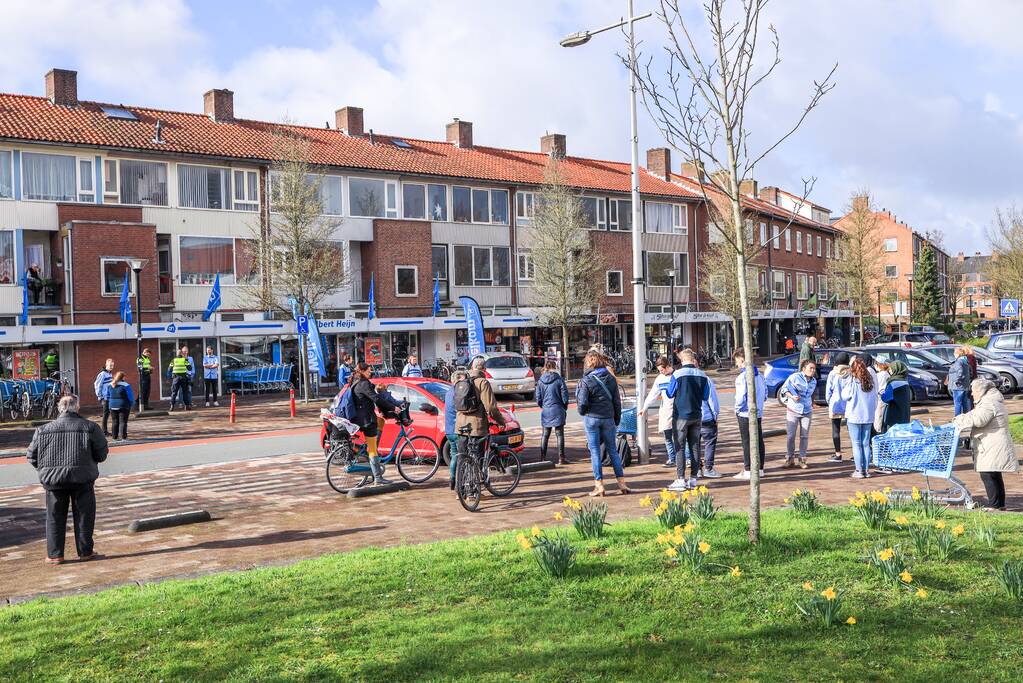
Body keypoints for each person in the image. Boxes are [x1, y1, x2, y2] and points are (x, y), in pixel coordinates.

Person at [26, 395, 109, 564]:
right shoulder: (90, 427)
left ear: (59, 409)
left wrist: (46, 468)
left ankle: (55, 554)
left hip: (53, 481)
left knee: (54, 517)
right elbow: (102, 454)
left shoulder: (43, 430)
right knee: (85, 515)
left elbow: (32, 456)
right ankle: (85, 552)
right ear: (77, 408)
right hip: (82, 478)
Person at [953, 378, 1018, 511]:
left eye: (973, 391)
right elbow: (975, 414)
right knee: (993, 474)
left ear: (980, 390)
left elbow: (978, 419)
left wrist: (959, 420)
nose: (971, 394)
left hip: (992, 443)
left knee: (987, 474)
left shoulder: (989, 402)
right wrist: (961, 418)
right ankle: (999, 505)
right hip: (992, 442)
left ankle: (995, 506)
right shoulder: (989, 400)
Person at [577, 350, 626, 496]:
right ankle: (622, 483)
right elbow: (617, 401)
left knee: (595, 452)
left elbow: (582, 403)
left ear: (589, 363)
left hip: (592, 418)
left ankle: (599, 486)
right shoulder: (611, 379)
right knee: (613, 451)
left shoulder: (586, 380)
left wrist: (583, 412)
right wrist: (616, 418)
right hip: (608, 418)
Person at [455, 356, 506, 486]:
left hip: (461, 426)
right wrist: (500, 421)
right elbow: (491, 407)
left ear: (472, 367)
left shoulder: (461, 380)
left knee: (462, 458)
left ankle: (459, 489)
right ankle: (474, 490)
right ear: (484, 369)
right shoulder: (483, 382)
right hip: (476, 427)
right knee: (476, 458)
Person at [665, 348, 710, 491]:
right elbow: (705, 396)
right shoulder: (703, 375)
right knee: (695, 447)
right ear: (693, 359)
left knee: (679, 447)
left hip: (681, 416)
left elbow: (669, 393)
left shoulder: (677, 374)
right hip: (697, 415)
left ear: (682, 360)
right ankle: (693, 479)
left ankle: (680, 479)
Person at [349, 362, 393, 485]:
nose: (370, 372)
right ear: (362, 371)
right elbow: (376, 399)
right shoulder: (363, 383)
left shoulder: (356, 381)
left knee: (380, 421)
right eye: (368, 371)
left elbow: (370, 396)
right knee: (372, 448)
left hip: (361, 418)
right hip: (366, 420)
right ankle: (378, 478)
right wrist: (393, 408)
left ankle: (371, 463)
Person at [841, 354, 879, 479]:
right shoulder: (870, 381)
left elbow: (845, 396)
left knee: (856, 444)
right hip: (868, 416)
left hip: (854, 416)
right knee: (866, 443)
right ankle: (867, 470)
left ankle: (859, 470)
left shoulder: (853, 381)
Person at [733, 347, 767, 480]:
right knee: (759, 440)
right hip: (758, 412)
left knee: (746, 441)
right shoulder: (760, 376)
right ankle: (760, 468)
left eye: (737, 361)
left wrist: (737, 408)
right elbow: (764, 395)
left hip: (745, 413)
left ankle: (748, 469)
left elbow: (741, 397)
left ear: (742, 360)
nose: (737, 364)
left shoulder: (742, 377)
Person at [640, 356, 678, 469]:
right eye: (659, 370)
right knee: (667, 436)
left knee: (680, 437)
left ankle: (686, 459)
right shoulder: (660, 378)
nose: (660, 372)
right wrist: (644, 408)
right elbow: (653, 394)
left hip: (678, 410)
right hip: (666, 410)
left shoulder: (677, 376)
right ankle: (672, 458)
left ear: (667, 367)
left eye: (662, 370)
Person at [780, 358, 817, 469]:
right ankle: (790, 458)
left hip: (807, 411)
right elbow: (784, 390)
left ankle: (802, 459)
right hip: (793, 410)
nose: (813, 370)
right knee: (791, 436)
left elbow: (812, 394)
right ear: (804, 369)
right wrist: (792, 396)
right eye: (811, 368)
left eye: (814, 368)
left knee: (804, 436)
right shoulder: (794, 377)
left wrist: (812, 404)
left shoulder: (814, 381)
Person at [535, 360, 570, 465]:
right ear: (555, 367)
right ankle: (561, 458)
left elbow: (538, 398)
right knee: (559, 435)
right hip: (558, 409)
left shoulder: (540, 381)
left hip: (546, 410)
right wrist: (564, 406)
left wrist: (544, 406)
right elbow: (565, 396)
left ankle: (542, 458)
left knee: (545, 435)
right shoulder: (559, 379)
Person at [825, 351, 851, 462]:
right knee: (852, 430)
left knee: (836, 430)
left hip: (835, 404)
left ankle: (838, 454)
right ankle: (856, 454)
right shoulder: (851, 372)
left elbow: (828, 391)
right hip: (849, 404)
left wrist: (829, 401)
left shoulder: (832, 373)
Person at [444, 369, 465, 490]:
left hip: (449, 430)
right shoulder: (458, 392)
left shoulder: (448, 392)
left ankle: (452, 479)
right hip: (457, 429)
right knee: (462, 456)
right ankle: (459, 482)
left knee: (454, 455)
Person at [880, 360, 912, 432]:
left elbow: (885, 398)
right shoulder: (905, 381)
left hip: (894, 416)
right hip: (904, 414)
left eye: (891, 368)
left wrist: (881, 393)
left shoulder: (894, 383)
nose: (890, 370)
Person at [106, 371, 135, 441]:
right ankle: (123, 437)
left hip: (112, 405)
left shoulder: (110, 385)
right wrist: (132, 403)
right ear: (123, 377)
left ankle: (114, 437)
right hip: (123, 405)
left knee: (114, 421)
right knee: (123, 422)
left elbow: (107, 396)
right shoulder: (126, 385)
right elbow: (130, 396)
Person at [167, 346, 194, 411]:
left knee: (174, 392)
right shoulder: (184, 360)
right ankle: (186, 406)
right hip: (183, 378)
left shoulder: (173, 360)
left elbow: (169, 369)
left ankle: (172, 406)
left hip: (176, 378)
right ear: (182, 354)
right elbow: (190, 368)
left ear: (177, 354)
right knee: (185, 392)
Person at [947, 347, 972, 416]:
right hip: (964, 385)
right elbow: (969, 372)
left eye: (954, 353)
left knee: (957, 403)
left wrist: (956, 381)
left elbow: (960, 372)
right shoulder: (965, 361)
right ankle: (966, 418)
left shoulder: (959, 361)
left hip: (958, 386)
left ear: (957, 354)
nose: (954, 354)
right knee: (964, 403)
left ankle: (957, 419)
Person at [93, 358, 114, 437]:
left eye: (112, 365)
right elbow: (97, 385)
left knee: (108, 414)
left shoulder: (110, 374)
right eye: (110, 365)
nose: (111, 367)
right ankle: (104, 431)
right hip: (104, 398)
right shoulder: (102, 374)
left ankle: (106, 431)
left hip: (109, 397)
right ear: (106, 365)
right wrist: (100, 396)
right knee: (105, 414)